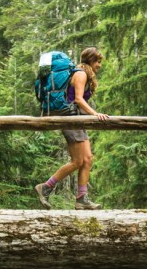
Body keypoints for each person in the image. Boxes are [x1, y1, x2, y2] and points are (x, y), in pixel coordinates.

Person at [34, 47, 109, 210]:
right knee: (77, 161)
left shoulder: (81, 73)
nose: (99, 65)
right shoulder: (81, 74)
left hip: (76, 119)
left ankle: (81, 198)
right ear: (90, 60)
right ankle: (46, 187)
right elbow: (78, 99)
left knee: (87, 159)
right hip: (71, 118)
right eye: (98, 61)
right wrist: (96, 114)